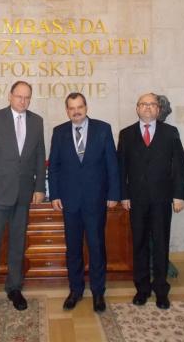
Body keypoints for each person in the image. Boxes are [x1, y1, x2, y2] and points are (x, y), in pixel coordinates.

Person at [0, 81, 46, 330]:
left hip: (24, 195)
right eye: (19, 96)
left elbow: (39, 155)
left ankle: (14, 289)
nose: (23, 101)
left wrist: (39, 188)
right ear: (10, 96)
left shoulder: (37, 121)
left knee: (17, 245)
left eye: (27, 97)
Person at [48, 92, 120, 312]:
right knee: (73, 249)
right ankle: (75, 290)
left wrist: (114, 194)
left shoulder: (103, 129)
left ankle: (98, 292)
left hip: (96, 200)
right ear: (67, 110)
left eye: (79, 106)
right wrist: (55, 195)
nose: (76, 111)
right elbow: (54, 166)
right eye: (71, 108)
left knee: (97, 246)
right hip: (69, 202)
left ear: (86, 107)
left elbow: (112, 165)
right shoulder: (59, 132)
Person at [117, 92, 184, 309]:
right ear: (137, 108)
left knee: (160, 244)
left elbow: (179, 166)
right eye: (143, 104)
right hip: (136, 200)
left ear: (158, 109)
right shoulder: (126, 134)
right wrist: (123, 195)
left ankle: (160, 290)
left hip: (162, 199)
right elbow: (121, 168)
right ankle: (142, 289)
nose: (148, 108)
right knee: (138, 244)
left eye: (152, 105)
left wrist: (179, 195)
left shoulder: (170, 132)